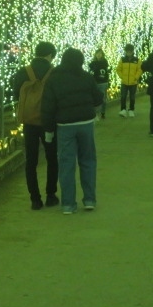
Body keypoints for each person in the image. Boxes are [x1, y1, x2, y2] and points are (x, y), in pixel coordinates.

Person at [41, 48, 103, 214]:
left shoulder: (54, 79)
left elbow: (48, 107)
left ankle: (68, 204)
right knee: (88, 161)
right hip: (86, 123)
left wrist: (48, 130)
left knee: (66, 164)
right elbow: (98, 98)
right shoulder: (87, 77)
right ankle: (89, 199)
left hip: (65, 126)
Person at [12, 41, 59, 210]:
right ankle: (51, 195)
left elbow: (15, 92)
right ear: (49, 55)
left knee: (31, 160)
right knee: (52, 158)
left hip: (29, 122)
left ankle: (35, 200)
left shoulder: (23, 72)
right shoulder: (54, 72)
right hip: (49, 122)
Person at [115, 43, 142, 117]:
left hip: (133, 82)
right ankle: (123, 110)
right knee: (123, 96)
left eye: (130, 51)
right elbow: (118, 69)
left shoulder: (137, 60)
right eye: (127, 51)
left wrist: (136, 77)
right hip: (124, 82)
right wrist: (122, 77)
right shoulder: (122, 60)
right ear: (126, 52)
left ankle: (131, 110)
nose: (129, 53)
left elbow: (140, 70)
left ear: (133, 51)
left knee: (132, 97)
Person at [88, 48, 109, 120]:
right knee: (95, 98)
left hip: (103, 82)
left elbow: (103, 68)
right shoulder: (93, 63)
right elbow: (90, 70)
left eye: (100, 53)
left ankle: (102, 112)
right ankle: (96, 113)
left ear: (102, 54)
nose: (98, 55)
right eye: (97, 53)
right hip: (95, 82)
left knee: (103, 99)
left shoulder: (104, 62)